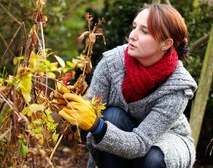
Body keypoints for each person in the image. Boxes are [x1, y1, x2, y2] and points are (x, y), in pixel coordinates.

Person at [59, 3, 198, 168]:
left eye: (144, 31)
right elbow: (90, 111)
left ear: (166, 44)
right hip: (122, 131)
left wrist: (97, 126)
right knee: (112, 116)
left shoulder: (178, 87)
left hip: (167, 139)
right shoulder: (112, 63)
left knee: (153, 158)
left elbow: (139, 143)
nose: (132, 35)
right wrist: (69, 104)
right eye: (134, 27)